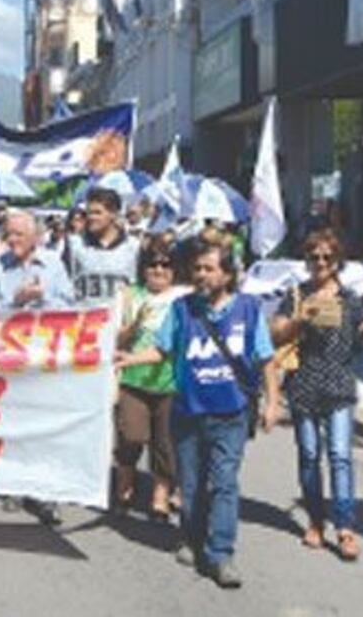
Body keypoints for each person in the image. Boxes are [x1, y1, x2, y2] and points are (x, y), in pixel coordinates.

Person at [116, 238, 280, 589]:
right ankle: (191, 538)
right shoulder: (181, 309)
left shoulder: (249, 310)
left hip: (231, 413)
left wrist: (272, 402)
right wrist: (129, 358)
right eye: (197, 269)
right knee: (190, 484)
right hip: (188, 411)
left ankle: (220, 554)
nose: (200, 275)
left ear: (227, 274)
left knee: (223, 482)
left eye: (209, 269)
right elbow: (161, 350)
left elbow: (266, 360)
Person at [269, 229, 363, 561]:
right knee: (310, 455)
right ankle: (315, 520)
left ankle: (344, 527)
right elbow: (276, 336)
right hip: (304, 384)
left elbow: (362, 340)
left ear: (337, 262)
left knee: (341, 456)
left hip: (340, 385)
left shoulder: (351, 300)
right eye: (314, 256)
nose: (320, 262)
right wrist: (300, 319)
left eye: (327, 257)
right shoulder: (296, 295)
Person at [0, 209, 72, 520]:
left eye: (18, 234)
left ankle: (44, 492)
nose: (11, 240)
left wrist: (42, 300)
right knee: (13, 423)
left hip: (43, 358)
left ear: (36, 238)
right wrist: (14, 303)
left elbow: (70, 307)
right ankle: (14, 486)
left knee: (45, 426)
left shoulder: (54, 265)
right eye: (8, 234)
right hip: (10, 359)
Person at [113, 237, 187, 520]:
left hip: (171, 380)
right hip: (133, 377)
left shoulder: (183, 296)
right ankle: (124, 486)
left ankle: (160, 497)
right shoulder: (128, 295)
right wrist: (135, 324)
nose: (159, 270)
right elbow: (116, 338)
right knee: (131, 435)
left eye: (166, 265)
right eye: (153, 264)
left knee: (165, 442)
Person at [64, 188, 139, 306]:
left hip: (121, 320)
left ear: (113, 214)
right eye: (89, 213)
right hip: (86, 319)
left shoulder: (133, 246)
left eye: (97, 213)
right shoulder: (75, 244)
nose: (91, 217)